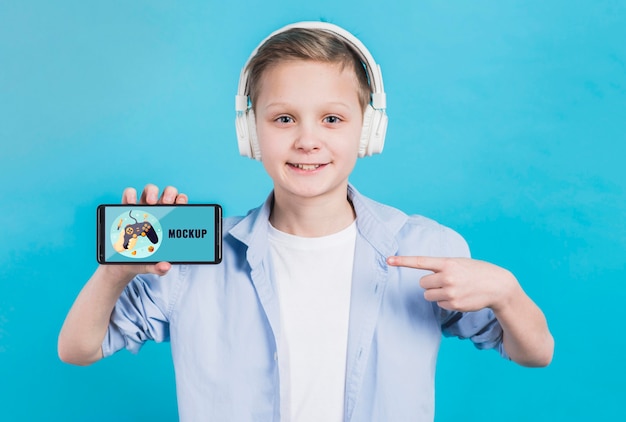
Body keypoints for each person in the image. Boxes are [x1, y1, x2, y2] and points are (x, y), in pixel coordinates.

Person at [58, 21, 554, 421]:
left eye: (332, 119)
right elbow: (78, 349)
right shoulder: (195, 260)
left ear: (369, 130)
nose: (307, 140)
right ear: (249, 132)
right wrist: (116, 271)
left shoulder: (426, 247)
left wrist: (507, 293)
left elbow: (535, 353)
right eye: (284, 119)